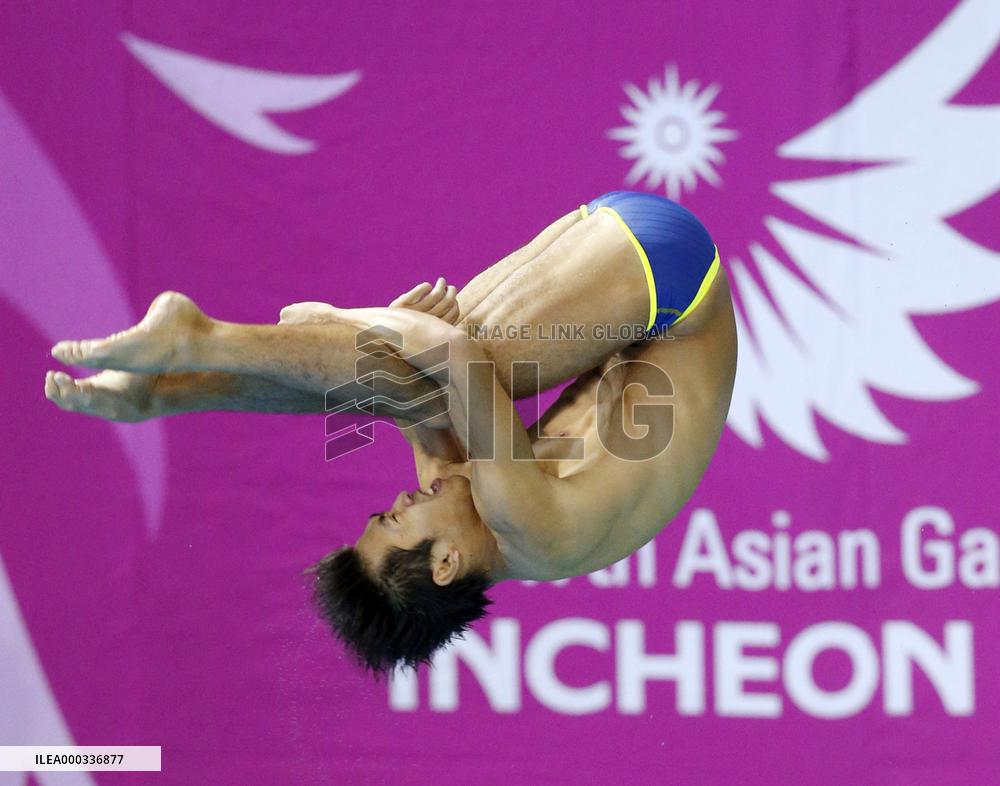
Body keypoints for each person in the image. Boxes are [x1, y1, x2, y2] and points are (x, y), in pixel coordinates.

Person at [45, 191, 737, 675]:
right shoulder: (536, 528)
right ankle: (201, 341)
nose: (402, 502)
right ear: (442, 566)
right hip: (674, 278)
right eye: (393, 520)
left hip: (611, 246)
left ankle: (168, 389)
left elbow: (396, 386)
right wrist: (360, 320)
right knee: (467, 361)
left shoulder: (456, 499)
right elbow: (454, 357)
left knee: (401, 382)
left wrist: (381, 332)